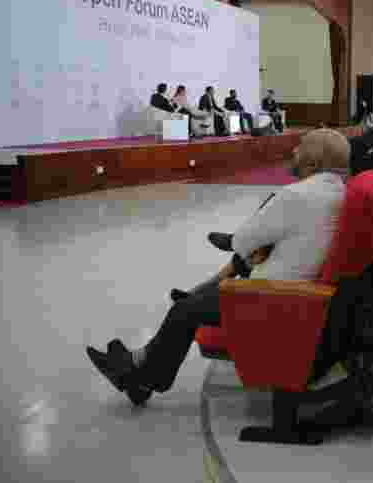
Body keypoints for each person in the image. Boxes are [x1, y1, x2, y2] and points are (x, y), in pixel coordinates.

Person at [85, 130, 351, 406]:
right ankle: (140, 371)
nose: (293, 150)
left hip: (271, 299)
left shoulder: (297, 195)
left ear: (313, 161)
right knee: (193, 303)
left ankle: (145, 377)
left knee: (184, 311)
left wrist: (253, 247)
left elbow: (242, 241)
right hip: (297, 295)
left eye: (301, 147)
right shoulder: (336, 192)